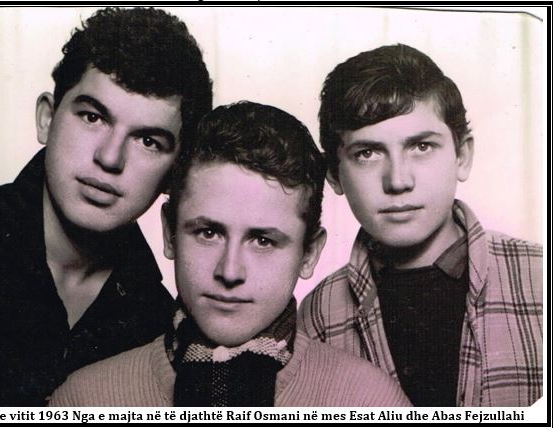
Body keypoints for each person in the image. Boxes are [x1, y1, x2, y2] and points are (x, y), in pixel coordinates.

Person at [48, 101, 411, 407]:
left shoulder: (370, 402)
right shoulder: (84, 400)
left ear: (309, 254)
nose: (230, 271)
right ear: (170, 233)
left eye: (263, 241)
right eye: (208, 233)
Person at [0, 7, 212, 406]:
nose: (110, 158)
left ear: (174, 175)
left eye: (148, 141)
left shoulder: (162, 327)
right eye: (93, 117)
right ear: (47, 118)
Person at [298, 44, 543, 407]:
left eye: (421, 147)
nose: (398, 180)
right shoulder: (319, 315)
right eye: (367, 153)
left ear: (462, 156)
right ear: (334, 175)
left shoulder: (542, 278)